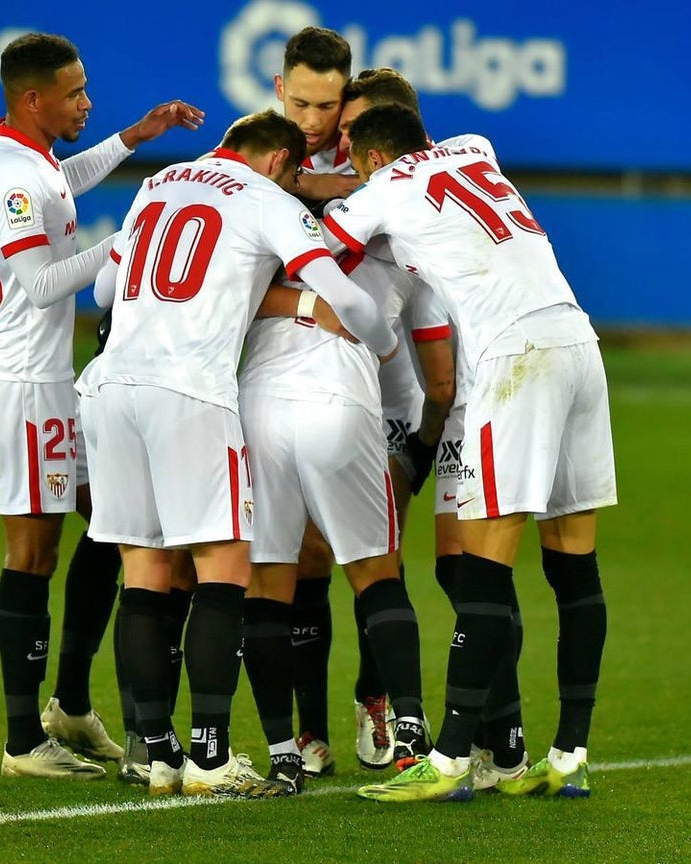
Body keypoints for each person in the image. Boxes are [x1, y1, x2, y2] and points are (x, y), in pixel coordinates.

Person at [79, 108, 397, 798]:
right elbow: (340, 290)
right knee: (224, 568)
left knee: (142, 569)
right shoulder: (263, 198)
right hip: (190, 391)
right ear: (280, 161)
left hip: (108, 387)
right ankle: (212, 755)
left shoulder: (159, 183)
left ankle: (151, 750)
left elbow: (102, 290)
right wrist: (370, 333)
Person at [328, 104, 616, 802]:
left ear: (367, 158)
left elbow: (331, 233)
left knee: (483, 561)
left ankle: (451, 757)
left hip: (512, 357)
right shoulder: (473, 147)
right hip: (578, 341)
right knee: (574, 565)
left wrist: (327, 186)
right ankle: (570, 752)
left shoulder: (380, 190)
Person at [0, 32, 205, 780]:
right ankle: (20, 741)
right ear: (33, 99)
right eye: (75, 94)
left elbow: (60, 181)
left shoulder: (19, 154)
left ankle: (68, 701)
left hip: (44, 377)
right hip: (22, 381)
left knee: (115, 517)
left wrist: (133, 138)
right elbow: (38, 284)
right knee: (33, 553)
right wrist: (133, 237)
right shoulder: (11, 174)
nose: (87, 102)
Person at [269, 34, 457, 777]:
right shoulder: (280, 160)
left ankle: (375, 698)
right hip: (308, 382)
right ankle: (310, 730)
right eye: (310, 108)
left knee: (374, 555)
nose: (325, 126)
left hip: (392, 390)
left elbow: (424, 309)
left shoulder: (404, 181)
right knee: (309, 556)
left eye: (336, 113)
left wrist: (424, 428)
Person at [336, 67, 527, 789]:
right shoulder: (467, 156)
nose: (343, 142)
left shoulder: (391, 197)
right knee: (450, 568)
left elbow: (435, 355)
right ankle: (498, 744)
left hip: (456, 397)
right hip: (455, 390)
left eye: (354, 131)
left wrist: (420, 440)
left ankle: (471, 742)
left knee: (451, 567)